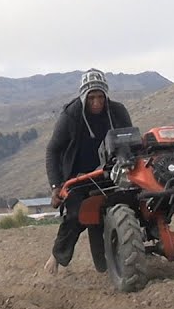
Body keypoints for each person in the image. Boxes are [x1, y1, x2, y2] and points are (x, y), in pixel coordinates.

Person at [43, 69, 133, 275]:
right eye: (91, 97)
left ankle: (134, 253)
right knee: (76, 215)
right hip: (79, 178)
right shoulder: (71, 116)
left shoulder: (118, 112)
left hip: (112, 173)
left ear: (106, 96)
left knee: (137, 204)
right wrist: (56, 186)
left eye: (100, 97)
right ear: (84, 97)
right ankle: (57, 256)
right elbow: (52, 150)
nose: (96, 102)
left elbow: (131, 142)